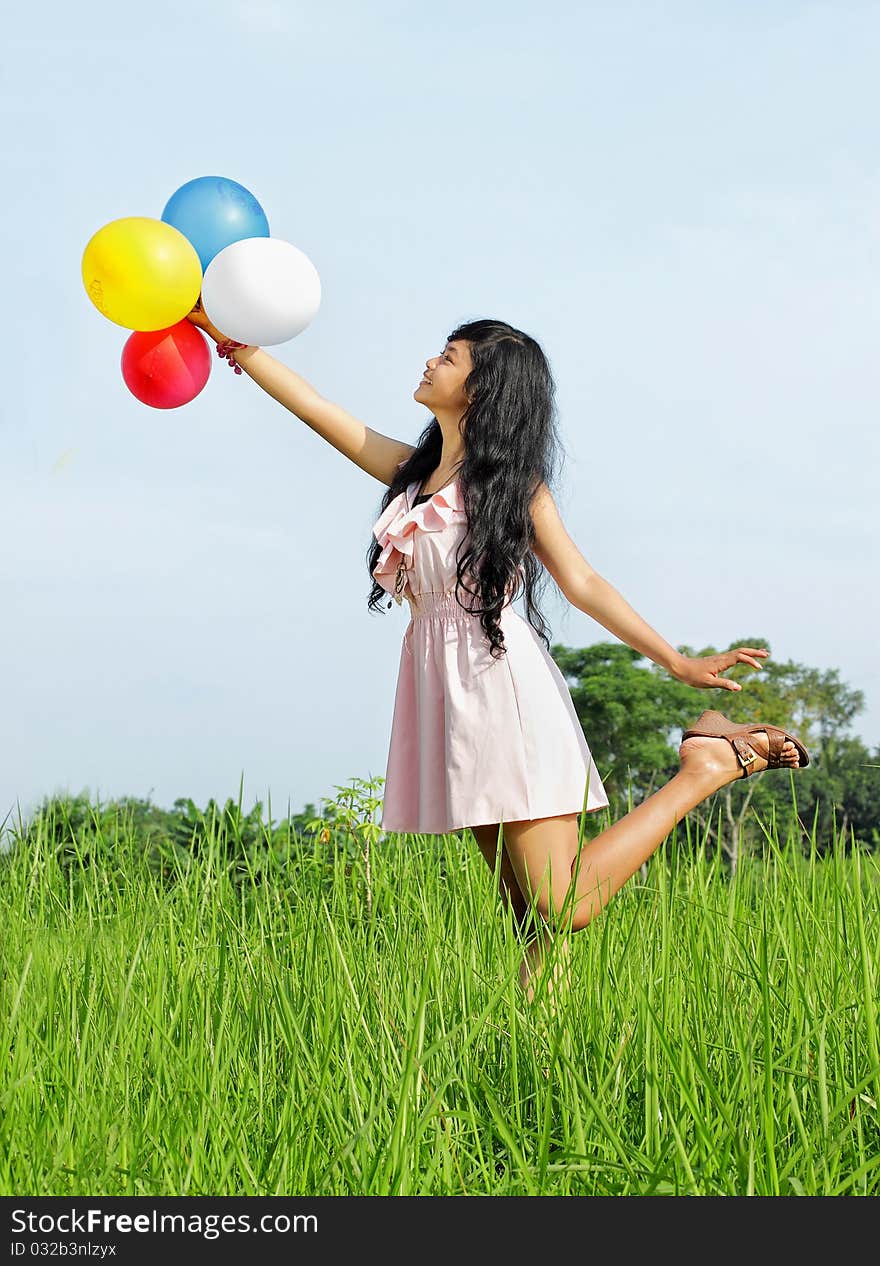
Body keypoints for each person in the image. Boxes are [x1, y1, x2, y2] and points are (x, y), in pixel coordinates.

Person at [187, 306, 810, 1005]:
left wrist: (676, 661)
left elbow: (584, 582)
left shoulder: (514, 489)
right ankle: (539, 1058)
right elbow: (318, 411)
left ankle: (706, 766)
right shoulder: (410, 473)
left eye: (449, 356)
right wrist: (228, 338)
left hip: (501, 685)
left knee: (562, 903)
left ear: (482, 389)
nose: (430, 361)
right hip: (443, 695)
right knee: (525, 917)